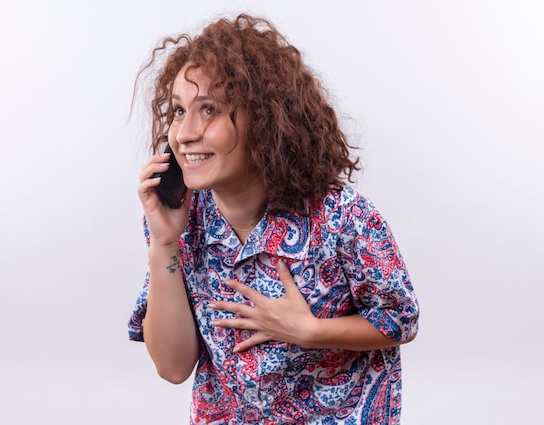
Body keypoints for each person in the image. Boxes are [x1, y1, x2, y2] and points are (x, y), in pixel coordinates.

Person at [128, 13, 419, 425]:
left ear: (264, 121)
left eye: (208, 109)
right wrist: (163, 244)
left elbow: (400, 318)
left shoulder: (342, 216)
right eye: (178, 110)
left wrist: (310, 330)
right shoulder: (181, 217)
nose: (184, 133)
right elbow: (174, 368)